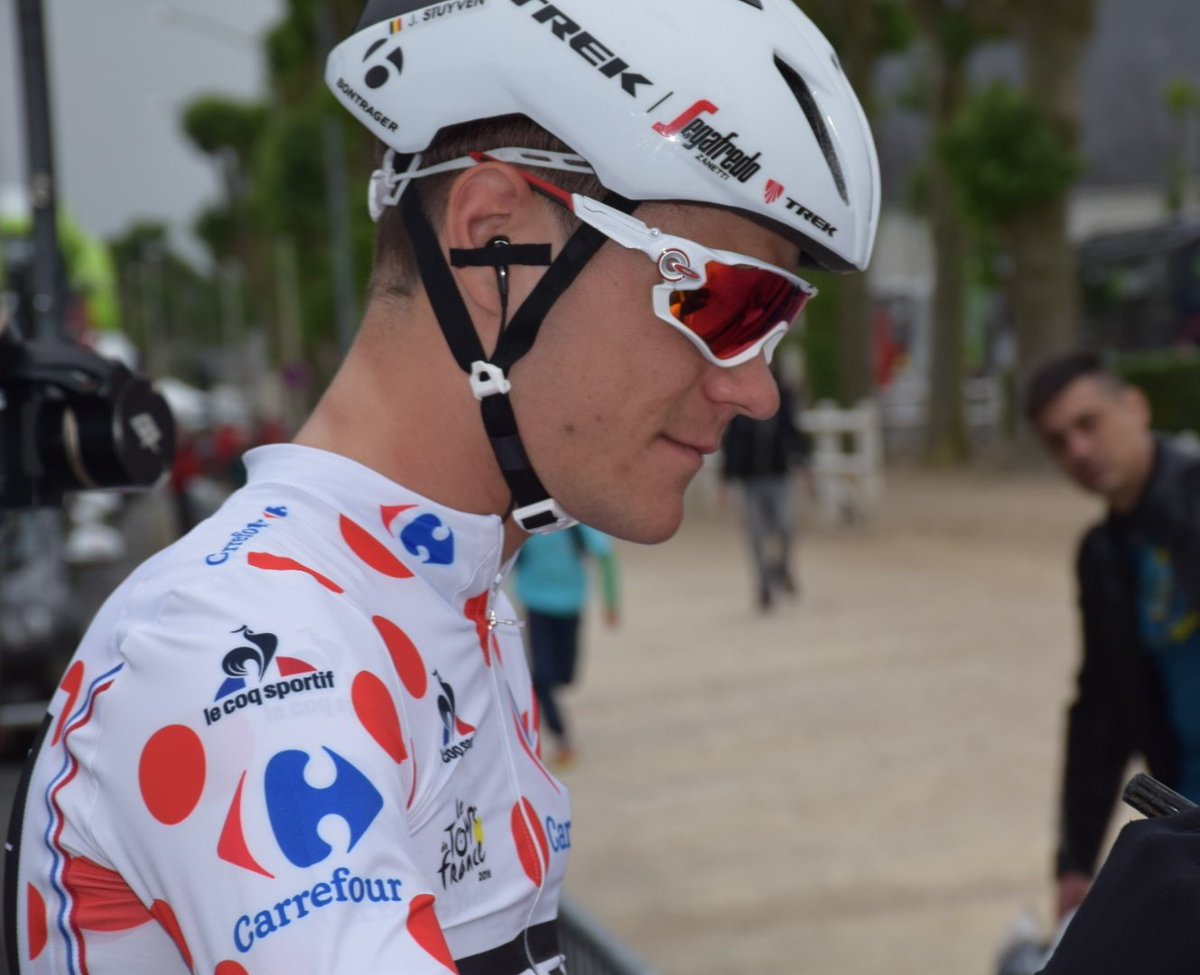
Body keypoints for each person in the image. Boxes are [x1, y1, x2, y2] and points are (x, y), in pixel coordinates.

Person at [3, 2, 879, 973]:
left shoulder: (438, 598)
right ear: (492, 237)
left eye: (777, 316)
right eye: (723, 301)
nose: (754, 386)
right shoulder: (253, 662)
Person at [1024, 351, 1200, 922]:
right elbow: (1102, 710)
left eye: (1088, 423)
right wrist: (1075, 861)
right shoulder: (1104, 554)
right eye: (1058, 441)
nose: (1078, 449)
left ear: (1135, 407)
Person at [514, 526, 620, 768]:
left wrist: (611, 601)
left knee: (565, 676)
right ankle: (562, 737)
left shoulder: (574, 522)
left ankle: (555, 705)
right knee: (541, 678)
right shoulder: (526, 521)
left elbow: (605, 555)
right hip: (535, 603)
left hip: (571, 603)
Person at [720, 372, 811, 610]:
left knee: (786, 526)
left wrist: (805, 467)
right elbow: (731, 443)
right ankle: (763, 586)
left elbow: (793, 431)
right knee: (756, 534)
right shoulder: (737, 403)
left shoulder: (782, 398)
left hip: (779, 475)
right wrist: (726, 479)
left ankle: (782, 567)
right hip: (750, 480)